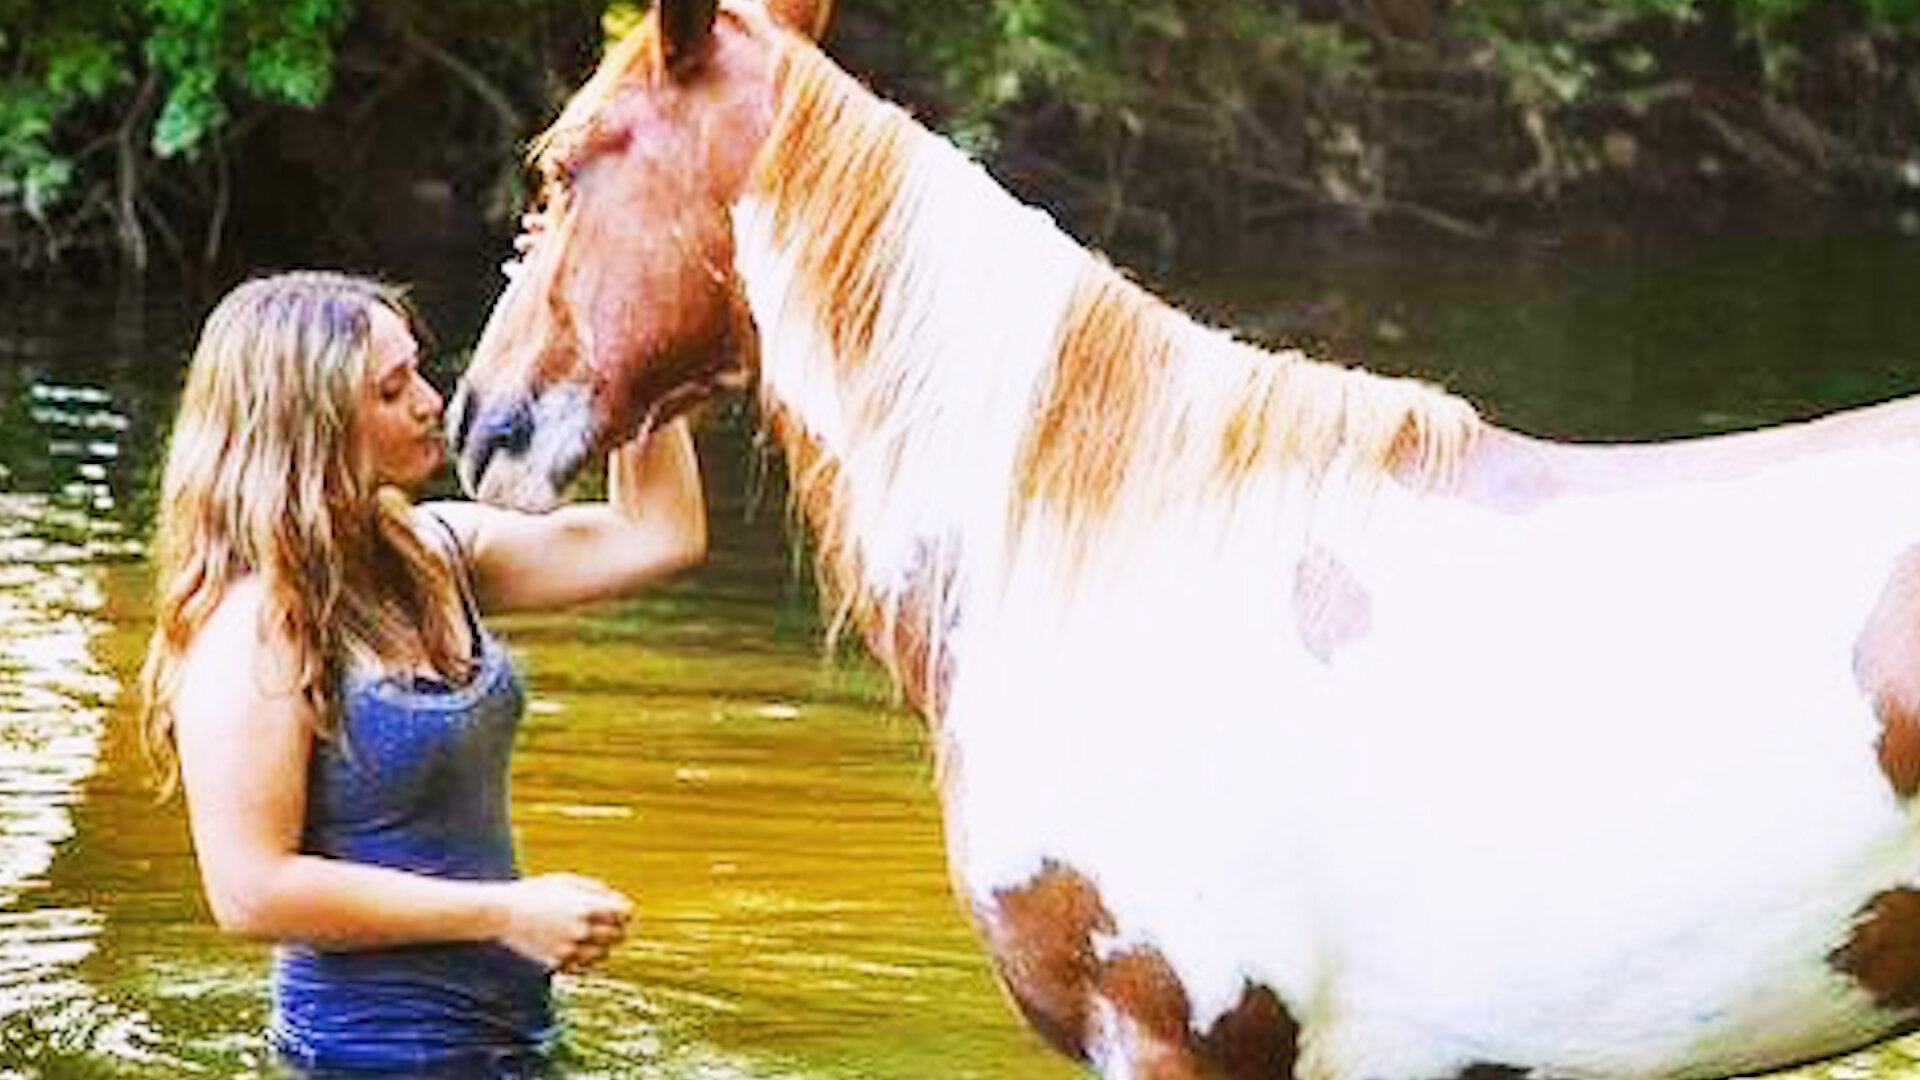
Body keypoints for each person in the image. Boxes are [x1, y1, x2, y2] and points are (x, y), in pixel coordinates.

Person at [136, 270, 707, 1077]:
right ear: (311, 426)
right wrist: (503, 913)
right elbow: (249, 890)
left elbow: (656, 533)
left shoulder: (438, 550)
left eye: (419, 371)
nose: (432, 401)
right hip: (367, 1054)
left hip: (513, 1037)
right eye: (391, 388)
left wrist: (625, 325)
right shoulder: (252, 630)